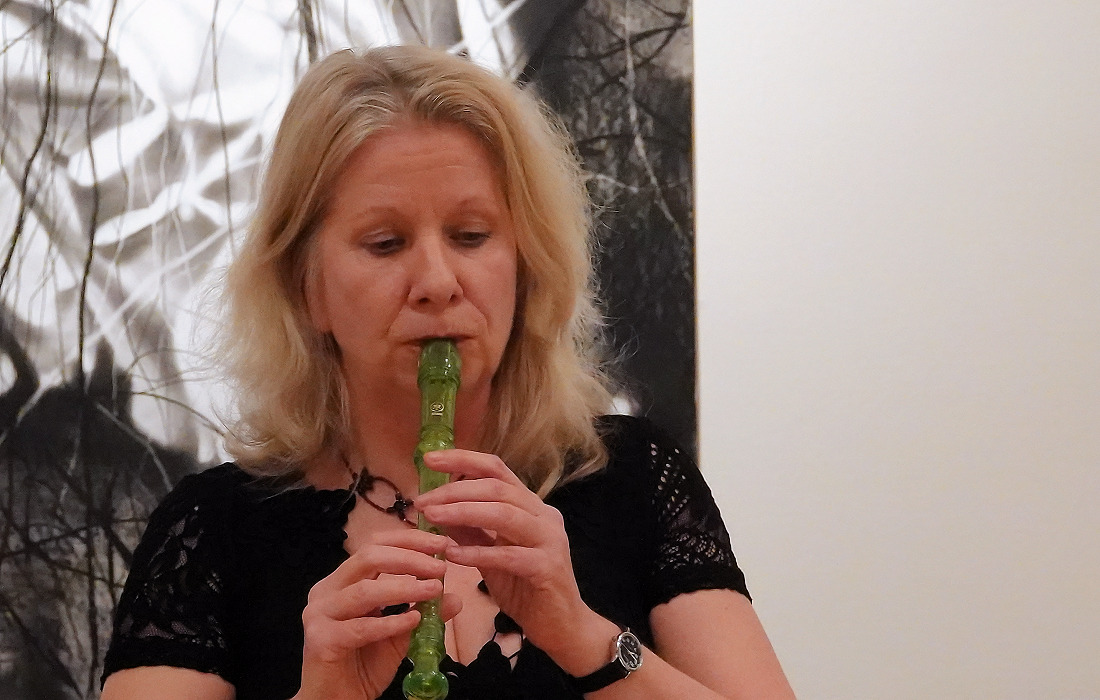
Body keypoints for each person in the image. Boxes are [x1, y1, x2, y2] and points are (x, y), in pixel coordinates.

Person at [100, 45, 795, 700]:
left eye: (471, 236)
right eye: (385, 243)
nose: (437, 282)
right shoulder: (213, 530)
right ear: (308, 288)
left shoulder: (634, 478)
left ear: (525, 266)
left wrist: (585, 638)